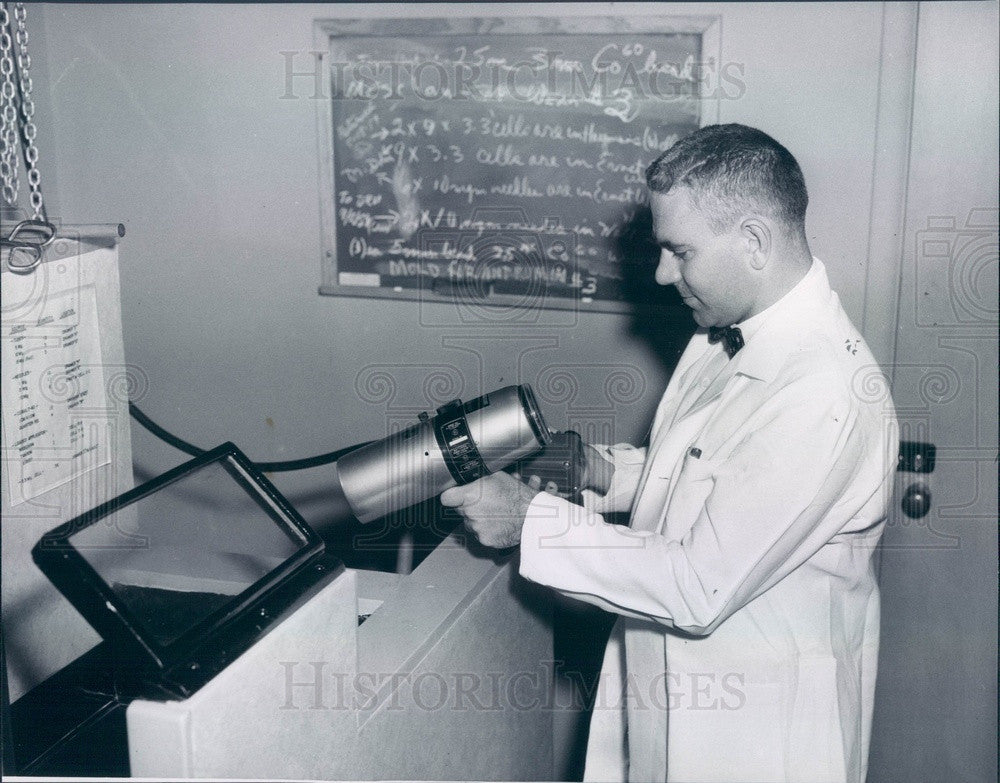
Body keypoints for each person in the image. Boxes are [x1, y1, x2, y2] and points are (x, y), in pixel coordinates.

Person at [440, 123, 898, 783]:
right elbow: (710, 469)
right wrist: (608, 472)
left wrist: (527, 520)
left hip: (759, 737)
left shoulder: (825, 391)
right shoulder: (724, 331)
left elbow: (697, 583)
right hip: (676, 698)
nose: (661, 273)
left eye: (678, 251)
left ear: (754, 242)